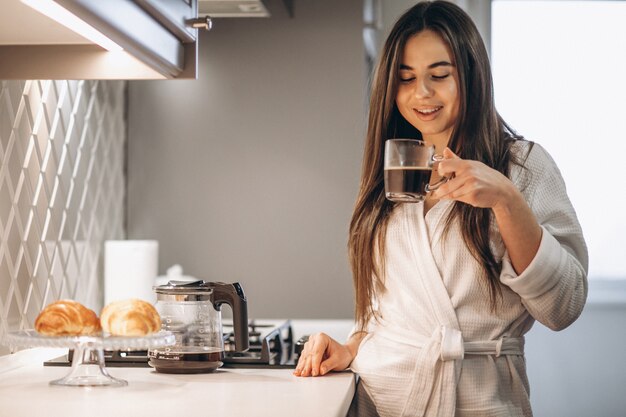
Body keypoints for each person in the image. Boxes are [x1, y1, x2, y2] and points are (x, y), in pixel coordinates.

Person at [293, 1, 588, 416]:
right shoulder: (392, 172)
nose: (422, 93)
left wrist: (506, 200)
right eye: (406, 78)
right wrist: (349, 348)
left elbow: (564, 306)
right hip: (382, 401)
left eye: (439, 75)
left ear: (470, 75)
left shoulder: (522, 166)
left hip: (481, 400)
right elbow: (389, 312)